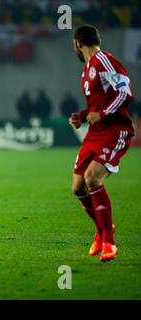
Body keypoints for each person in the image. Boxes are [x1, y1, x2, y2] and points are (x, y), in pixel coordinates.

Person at [69, 25, 134, 261]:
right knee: (77, 187)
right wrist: (83, 115)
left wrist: (103, 114)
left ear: (78, 43)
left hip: (115, 130)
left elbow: (125, 92)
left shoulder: (104, 61)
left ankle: (109, 241)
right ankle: (101, 230)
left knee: (92, 178)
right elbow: (98, 104)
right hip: (95, 132)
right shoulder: (86, 70)